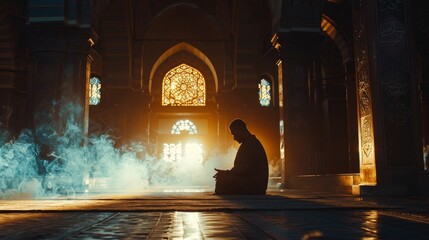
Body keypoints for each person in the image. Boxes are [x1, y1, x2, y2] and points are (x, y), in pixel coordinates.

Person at [213, 119, 269, 195]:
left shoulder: (251, 145)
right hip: (251, 182)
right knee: (223, 178)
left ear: (240, 130)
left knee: (223, 179)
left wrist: (226, 174)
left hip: (255, 186)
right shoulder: (249, 143)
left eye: (234, 134)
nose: (234, 138)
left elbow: (242, 170)